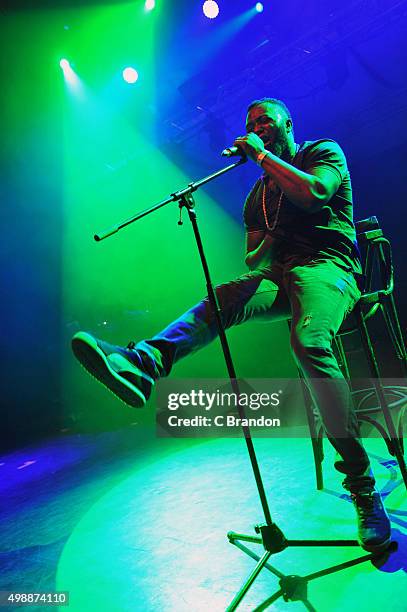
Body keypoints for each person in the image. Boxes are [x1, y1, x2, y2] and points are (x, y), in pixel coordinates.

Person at [72, 97, 391, 553]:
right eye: (252, 124)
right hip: (282, 273)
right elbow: (253, 255)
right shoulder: (256, 196)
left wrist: (262, 156)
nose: (258, 126)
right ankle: (142, 363)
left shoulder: (322, 152)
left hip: (329, 268)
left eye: (265, 120)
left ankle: (362, 488)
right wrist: (272, 237)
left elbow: (317, 193)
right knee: (224, 296)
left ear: (287, 123)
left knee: (309, 342)